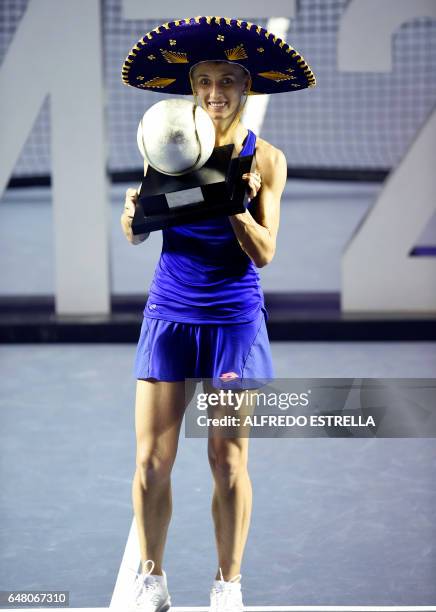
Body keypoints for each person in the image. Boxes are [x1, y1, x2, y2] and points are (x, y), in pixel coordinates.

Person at [120, 16, 315, 612]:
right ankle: (151, 581)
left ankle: (227, 586)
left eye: (227, 80)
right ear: (192, 88)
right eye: (203, 80)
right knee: (153, 461)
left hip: (233, 322)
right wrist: (132, 217)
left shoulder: (269, 161)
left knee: (227, 460)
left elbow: (265, 251)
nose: (213, 93)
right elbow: (139, 228)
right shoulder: (167, 145)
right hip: (171, 316)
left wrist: (238, 206)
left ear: (246, 87)